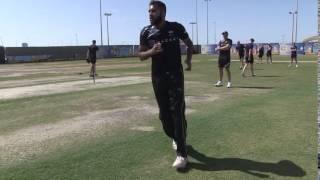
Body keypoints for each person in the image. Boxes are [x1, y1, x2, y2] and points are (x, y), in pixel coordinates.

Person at [138, 0, 193, 169]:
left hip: (175, 75)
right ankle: (177, 137)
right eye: (149, 11)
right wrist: (151, 52)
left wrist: (188, 60)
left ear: (162, 12)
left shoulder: (176, 27)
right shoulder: (146, 31)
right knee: (164, 115)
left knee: (177, 112)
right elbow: (140, 55)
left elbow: (189, 44)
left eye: (153, 11)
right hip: (158, 77)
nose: (150, 14)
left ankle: (182, 155)